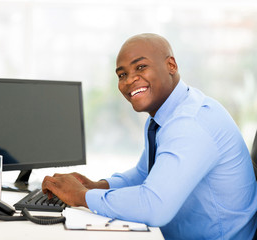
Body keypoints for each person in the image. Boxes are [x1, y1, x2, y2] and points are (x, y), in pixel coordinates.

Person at [42, 33, 257, 239]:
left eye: (141, 67)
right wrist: (97, 186)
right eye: (122, 74)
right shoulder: (163, 117)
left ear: (171, 65)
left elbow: (155, 206)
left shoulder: (190, 123)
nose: (129, 80)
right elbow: (144, 174)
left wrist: (81, 196)